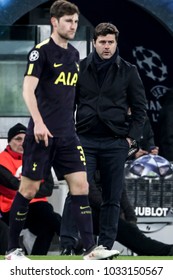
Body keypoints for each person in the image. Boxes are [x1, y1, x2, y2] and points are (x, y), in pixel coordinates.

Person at [5, 1, 119, 261]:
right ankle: (12, 249)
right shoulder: (40, 52)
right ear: (54, 22)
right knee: (29, 190)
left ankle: (90, 249)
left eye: (76, 22)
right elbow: (27, 90)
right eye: (68, 21)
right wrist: (39, 122)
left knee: (81, 186)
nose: (73, 26)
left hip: (68, 135)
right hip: (41, 135)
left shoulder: (73, 55)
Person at [61, 22, 147, 251]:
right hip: (84, 140)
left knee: (112, 197)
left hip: (115, 142)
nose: (107, 47)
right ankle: (67, 244)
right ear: (94, 43)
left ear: (116, 43)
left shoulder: (129, 71)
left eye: (110, 42)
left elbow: (141, 109)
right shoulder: (79, 68)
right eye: (102, 42)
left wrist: (130, 139)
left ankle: (105, 246)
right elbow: (68, 105)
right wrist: (70, 135)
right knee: (77, 190)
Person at [61, 170, 173, 256]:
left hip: (103, 210)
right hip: (85, 209)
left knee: (130, 233)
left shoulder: (112, 162)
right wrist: (112, 210)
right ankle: (166, 251)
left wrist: (130, 216)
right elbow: (90, 192)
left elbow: (121, 192)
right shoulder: (89, 161)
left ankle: (165, 251)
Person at [0, 123, 62, 255]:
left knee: (48, 224)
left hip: (38, 209)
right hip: (10, 210)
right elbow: (13, 184)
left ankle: (36, 260)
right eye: (18, 139)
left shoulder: (39, 159)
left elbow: (48, 189)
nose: (22, 143)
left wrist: (28, 190)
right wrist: (33, 189)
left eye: (25, 139)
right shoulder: (2, 160)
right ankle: (74, 240)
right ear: (9, 141)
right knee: (49, 214)